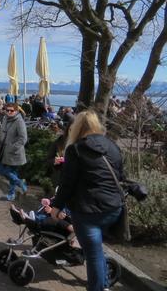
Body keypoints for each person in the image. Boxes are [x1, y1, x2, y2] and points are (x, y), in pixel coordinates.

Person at [51, 110, 125, 291]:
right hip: (113, 207)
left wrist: (57, 206)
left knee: (93, 253)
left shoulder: (75, 149)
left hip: (88, 210)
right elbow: (120, 175)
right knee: (96, 249)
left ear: (77, 127)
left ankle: (98, 288)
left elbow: (67, 183)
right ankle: (103, 283)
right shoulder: (112, 146)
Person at [0, 102, 28, 201]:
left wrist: (13, 148)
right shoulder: (6, 119)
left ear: (16, 111)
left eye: (11, 110)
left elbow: (23, 138)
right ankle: (19, 184)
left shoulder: (19, 121)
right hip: (4, 151)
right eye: (7, 110)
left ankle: (13, 192)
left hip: (14, 153)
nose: (9, 112)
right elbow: (3, 133)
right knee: (0, 169)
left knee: (6, 170)